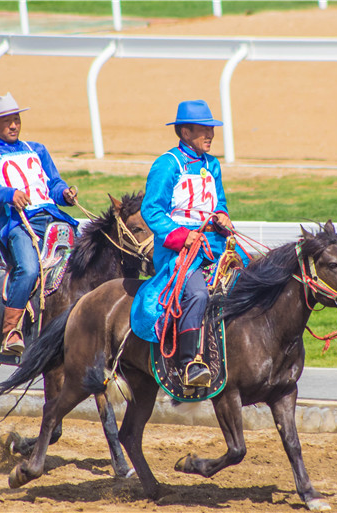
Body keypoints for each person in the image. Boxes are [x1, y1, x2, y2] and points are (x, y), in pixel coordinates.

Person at [130, 99, 247, 387]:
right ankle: (189, 363)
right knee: (196, 293)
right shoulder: (166, 165)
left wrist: (222, 216)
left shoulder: (213, 164)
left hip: (214, 241)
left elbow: (219, 201)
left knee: (251, 277)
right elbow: (152, 210)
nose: (210, 135)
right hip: (178, 248)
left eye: (211, 130)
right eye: (203, 130)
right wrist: (183, 235)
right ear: (185, 133)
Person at [0, 92, 78, 356]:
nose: (14, 125)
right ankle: (10, 331)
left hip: (54, 220)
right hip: (20, 225)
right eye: (6, 121)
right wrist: (8, 194)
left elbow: (52, 183)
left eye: (16, 119)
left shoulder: (37, 149)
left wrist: (64, 194)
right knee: (28, 270)